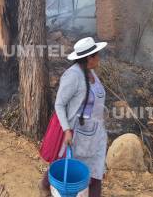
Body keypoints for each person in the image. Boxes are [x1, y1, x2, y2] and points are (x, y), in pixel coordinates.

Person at [39, 37, 108, 197]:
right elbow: (59, 104)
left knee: (96, 171)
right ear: (88, 58)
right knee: (75, 168)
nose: (99, 57)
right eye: (96, 55)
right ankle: (45, 185)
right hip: (79, 135)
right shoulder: (73, 76)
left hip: (95, 134)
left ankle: (45, 185)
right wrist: (67, 130)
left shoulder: (91, 73)